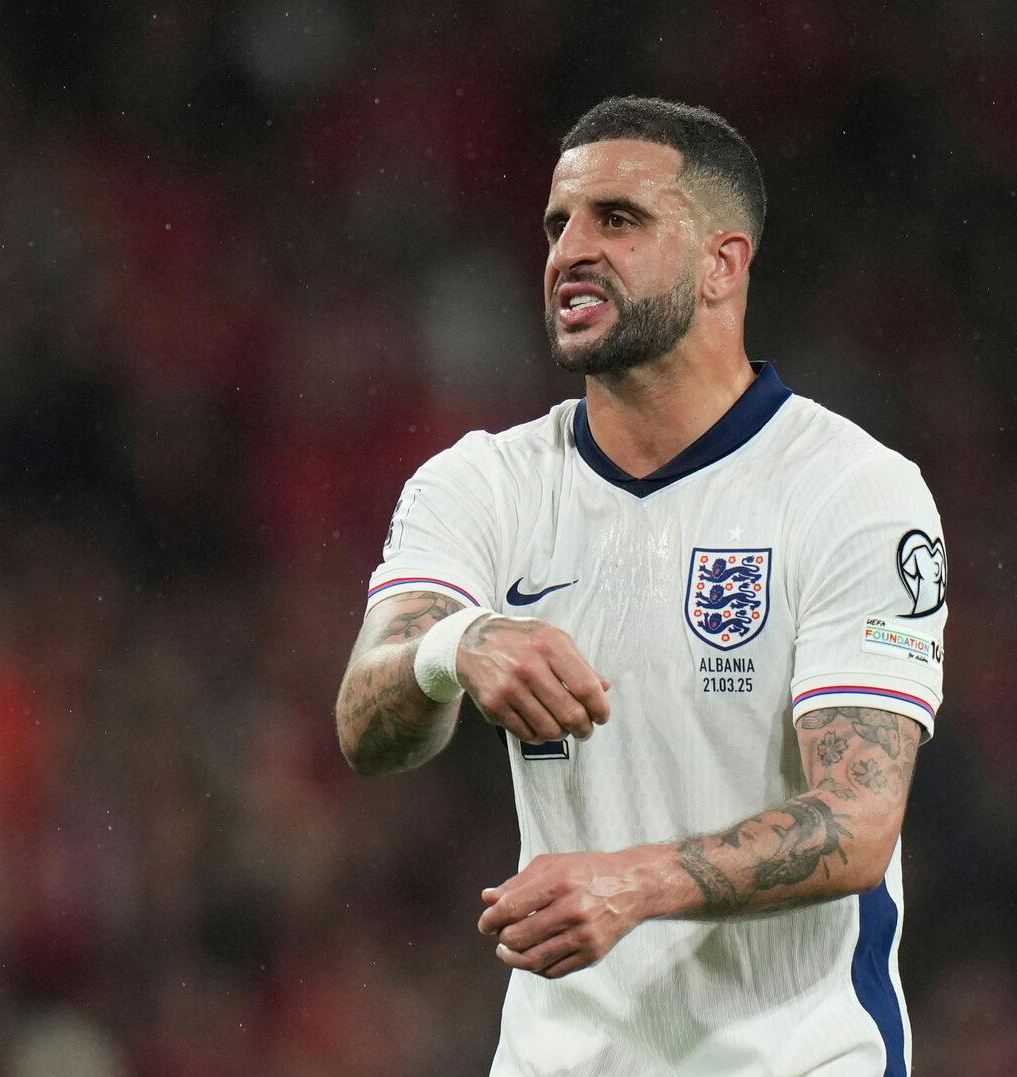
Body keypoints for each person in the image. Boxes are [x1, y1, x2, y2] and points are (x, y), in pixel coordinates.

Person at [334, 96, 948, 1076]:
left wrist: (636, 884)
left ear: (723, 262)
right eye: (556, 224)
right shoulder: (485, 484)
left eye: (617, 219)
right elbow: (367, 726)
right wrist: (458, 647)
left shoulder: (850, 490)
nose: (570, 249)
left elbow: (859, 822)